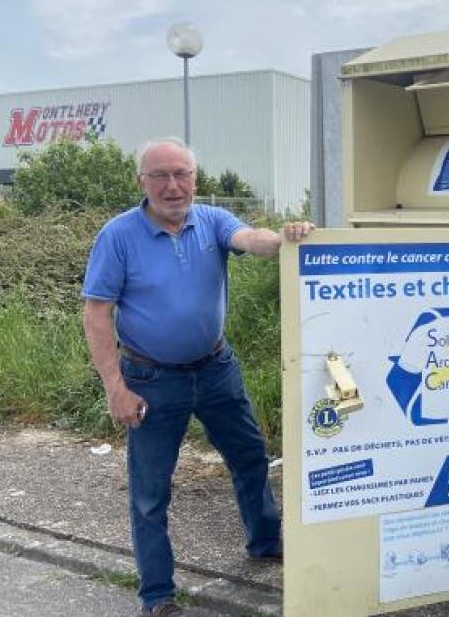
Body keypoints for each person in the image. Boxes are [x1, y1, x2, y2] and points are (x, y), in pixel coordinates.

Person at [81, 137, 314, 617]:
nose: (173, 186)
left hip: (215, 370)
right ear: (142, 182)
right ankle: (158, 595)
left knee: (250, 457)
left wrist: (288, 237)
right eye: (160, 176)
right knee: (150, 493)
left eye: (181, 173)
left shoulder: (211, 221)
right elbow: (97, 313)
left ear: (195, 177)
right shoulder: (119, 236)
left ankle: (265, 541)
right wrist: (115, 388)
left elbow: (250, 239)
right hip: (149, 377)